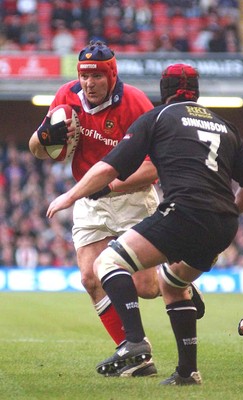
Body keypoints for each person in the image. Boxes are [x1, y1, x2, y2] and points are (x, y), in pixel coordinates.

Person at [46, 63, 243, 385]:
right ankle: (187, 372)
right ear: (197, 91)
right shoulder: (224, 125)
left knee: (107, 262)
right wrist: (232, 210)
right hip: (223, 225)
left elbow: (110, 168)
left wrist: (70, 196)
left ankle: (134, 342)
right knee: (172, 285)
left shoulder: (158, 117)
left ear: (164, 92)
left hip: (183, 212)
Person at [29, 40, 161, 377]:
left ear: (111, 75)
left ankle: (181, 280)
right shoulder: (67, 96)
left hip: (132, 197)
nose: (89, 84)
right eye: (85, 77)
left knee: (147, 288)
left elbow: (154, 169)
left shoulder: (135, 103)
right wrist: (46, 136)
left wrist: (112, 185)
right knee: (90, 277)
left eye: (97, 77)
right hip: (89, 197)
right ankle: (135, 354)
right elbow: (37, 149)